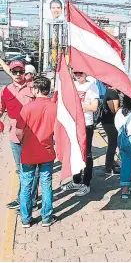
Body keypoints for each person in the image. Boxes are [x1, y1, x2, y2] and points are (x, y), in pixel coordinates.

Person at [16, 76, 57, 228]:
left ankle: (26, 219)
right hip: (47, 151)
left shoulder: (27, 107)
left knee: (26, 185)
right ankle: (46, 217)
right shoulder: (54, 107)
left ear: (38, 90)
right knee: (46, 184)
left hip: (29, 152)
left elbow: (19, 131)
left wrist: (23, 142)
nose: (31, 90)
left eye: (33, 88)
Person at [0, 60, 38, 210]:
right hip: (14, 137)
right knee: (21, 169)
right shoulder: (6, 90)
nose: (17, 74)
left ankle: (30, 200)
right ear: (10, 71)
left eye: (20, 71)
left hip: (33, 136)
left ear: (24, 72)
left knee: (32, 170)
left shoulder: (33, 88)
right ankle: (23, 198)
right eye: (14, 71)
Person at [62, 71, 99, 196]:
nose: (78, 75)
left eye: (80, 73)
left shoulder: (91, 86)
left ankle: (86, 183)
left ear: (85, 73)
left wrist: (77, 105)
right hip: (73, 123)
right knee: (74, 152)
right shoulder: (72, 84)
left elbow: (94, 107)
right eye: (76, 73)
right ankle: (76, 180)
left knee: (87, 153)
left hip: (86, 124)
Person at [101, 84, 121, 175]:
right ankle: (109, 167)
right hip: (111, 122)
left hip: (106, 121)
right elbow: (115, 110)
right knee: (112, 144)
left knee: (112, 144)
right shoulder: (113, 93)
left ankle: (110, 163)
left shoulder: (108, 92)